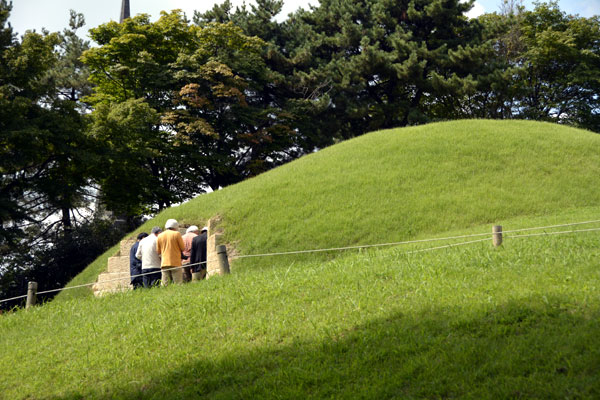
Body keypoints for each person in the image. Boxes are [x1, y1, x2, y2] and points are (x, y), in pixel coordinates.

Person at [156, 218, 185, 285]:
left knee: (165, 283)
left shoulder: (160, 236)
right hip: (175, 262)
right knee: (178, 283)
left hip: (164, 263)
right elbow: (182, 248)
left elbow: (158, 251)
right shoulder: (176, 234)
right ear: (176, 226)